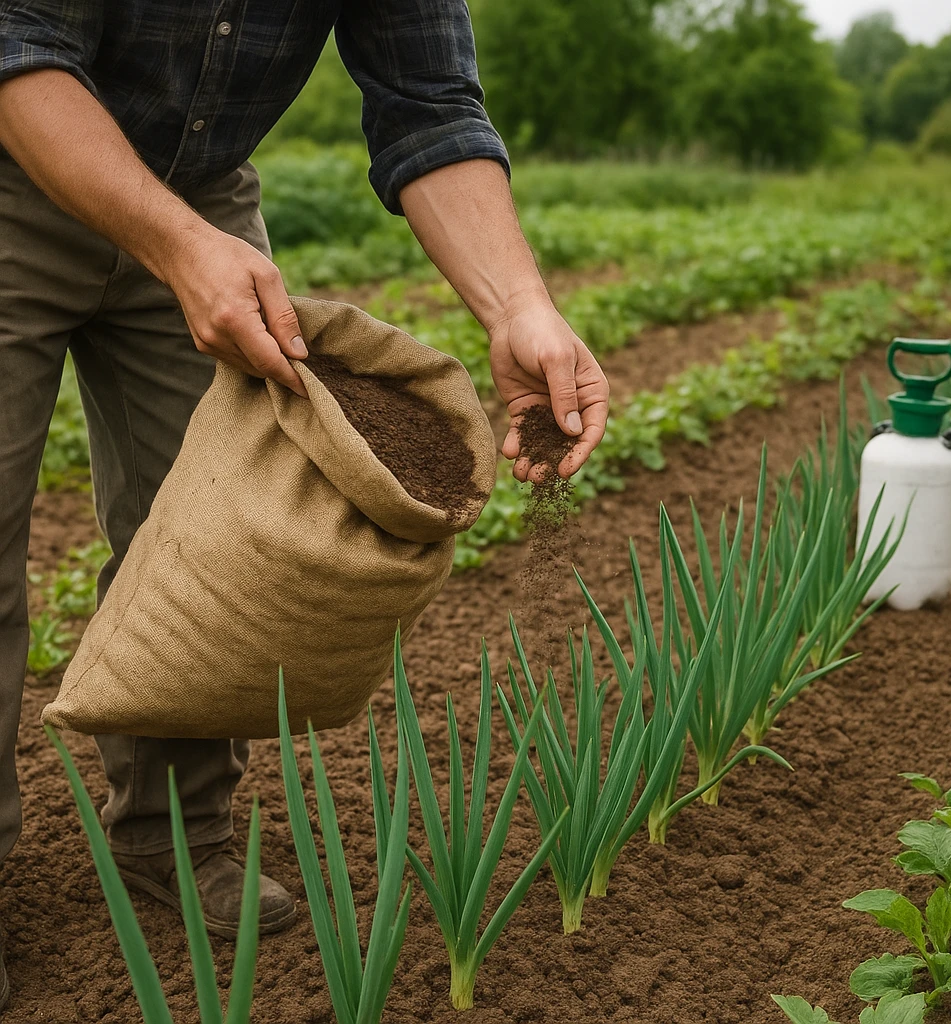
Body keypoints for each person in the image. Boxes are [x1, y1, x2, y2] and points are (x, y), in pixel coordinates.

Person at [0, 0, 610, 1009]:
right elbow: (20, 52)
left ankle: (175, 838)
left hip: (199, 193)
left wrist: (520, 307)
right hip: (17, 172)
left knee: (222, 540)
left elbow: (430, 107)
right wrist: (178, 247)